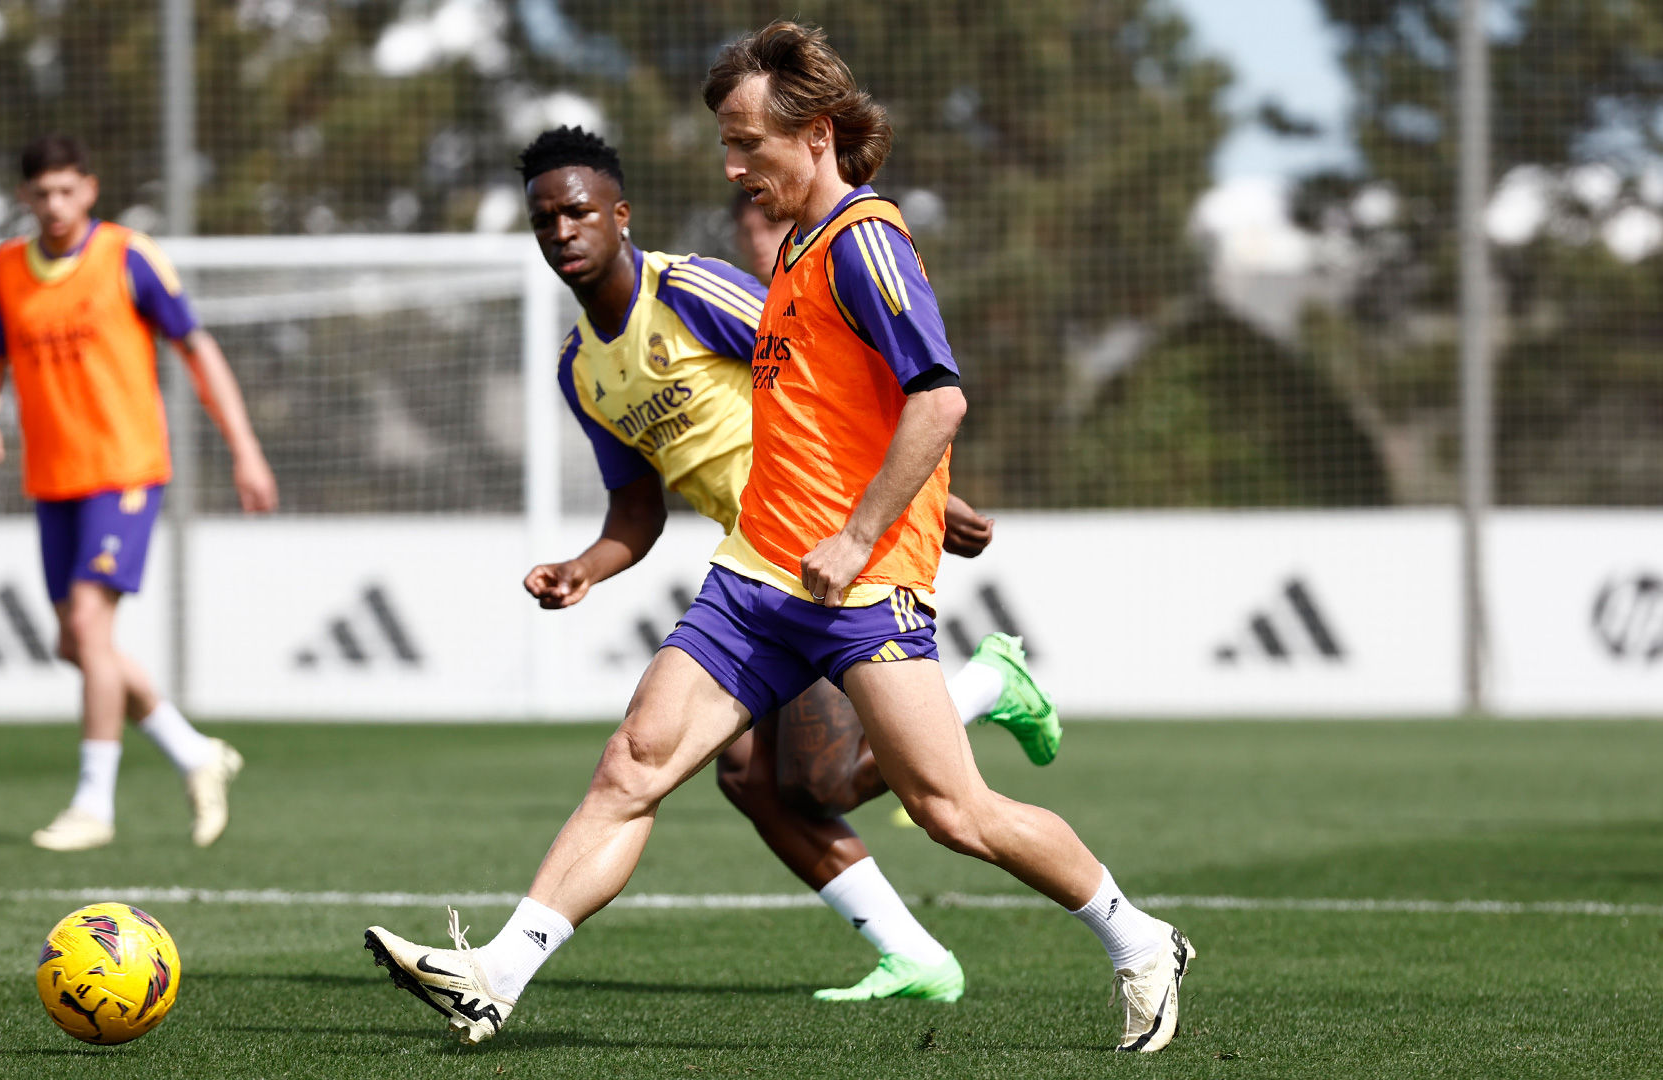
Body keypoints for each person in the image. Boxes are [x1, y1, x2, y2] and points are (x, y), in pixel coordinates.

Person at [365, 22, 1194, 1053]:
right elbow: (814, 426)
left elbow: (936, 400)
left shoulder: (864, 240)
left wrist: (862, 533)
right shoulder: (794, 254)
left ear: (820, 133)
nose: (733, 164)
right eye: (727, 142)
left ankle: (1140, 939)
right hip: (756, 573)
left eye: (748, 141)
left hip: (859, 582)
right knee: (634, 765)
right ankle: (498, 972)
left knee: (951, 811)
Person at [507, 125, 1059, 1003]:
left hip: (833, 545)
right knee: (752, 780)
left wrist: (922, 491)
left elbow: (827, 370)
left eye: (576, 212)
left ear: (619, 215)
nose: (562, 231)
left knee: (827, 779)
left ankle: (986, 687)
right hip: (762, 567)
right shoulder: (582, 370)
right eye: (544, 220)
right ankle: (912, 951)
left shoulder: (686, 291)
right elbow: (637, 508)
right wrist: (585, 566)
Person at [0, 134, 278, 852]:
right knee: (76, 642)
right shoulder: (7, 268)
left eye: (67, 191)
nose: (54, 206)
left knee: (90, 628)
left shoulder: (128, 256)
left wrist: (245, 449)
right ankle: (195, 753)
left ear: (90, 189)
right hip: (53, 481)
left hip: (125, 472)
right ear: (24, 197)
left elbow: (198, 348)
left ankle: (93, 805)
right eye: (41, 193)